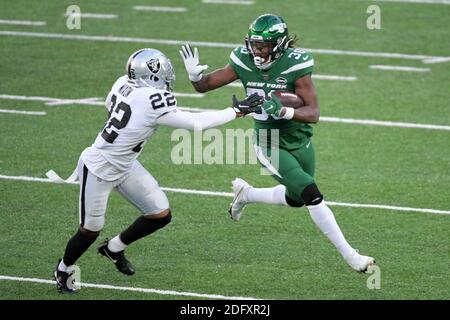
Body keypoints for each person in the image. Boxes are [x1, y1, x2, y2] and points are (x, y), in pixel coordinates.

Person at [53, 48, 263, 293]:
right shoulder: (153, 100)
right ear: (151, 74)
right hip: (100, 165)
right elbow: (195, 123)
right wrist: (236, 111)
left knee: (160, 214)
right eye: (164, 72)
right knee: (90, 229)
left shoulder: (123, 83)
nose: (168, 77)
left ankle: (113, 248)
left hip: (126, 162)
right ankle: (63, 269)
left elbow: (111, 106)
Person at [179, 14, 375, 272]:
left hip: (299, 137)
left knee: (297, 199)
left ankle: (245, 194)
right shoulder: (242, 60)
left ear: (280, 45)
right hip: (267, 140)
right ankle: (352, 256)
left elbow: (313, 113)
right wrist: (195, 77)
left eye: (264, 46)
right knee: (311, 195)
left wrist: (283, 111)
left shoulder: (296, 64)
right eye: (254, 45)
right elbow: (205, 86)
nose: (257, 51)